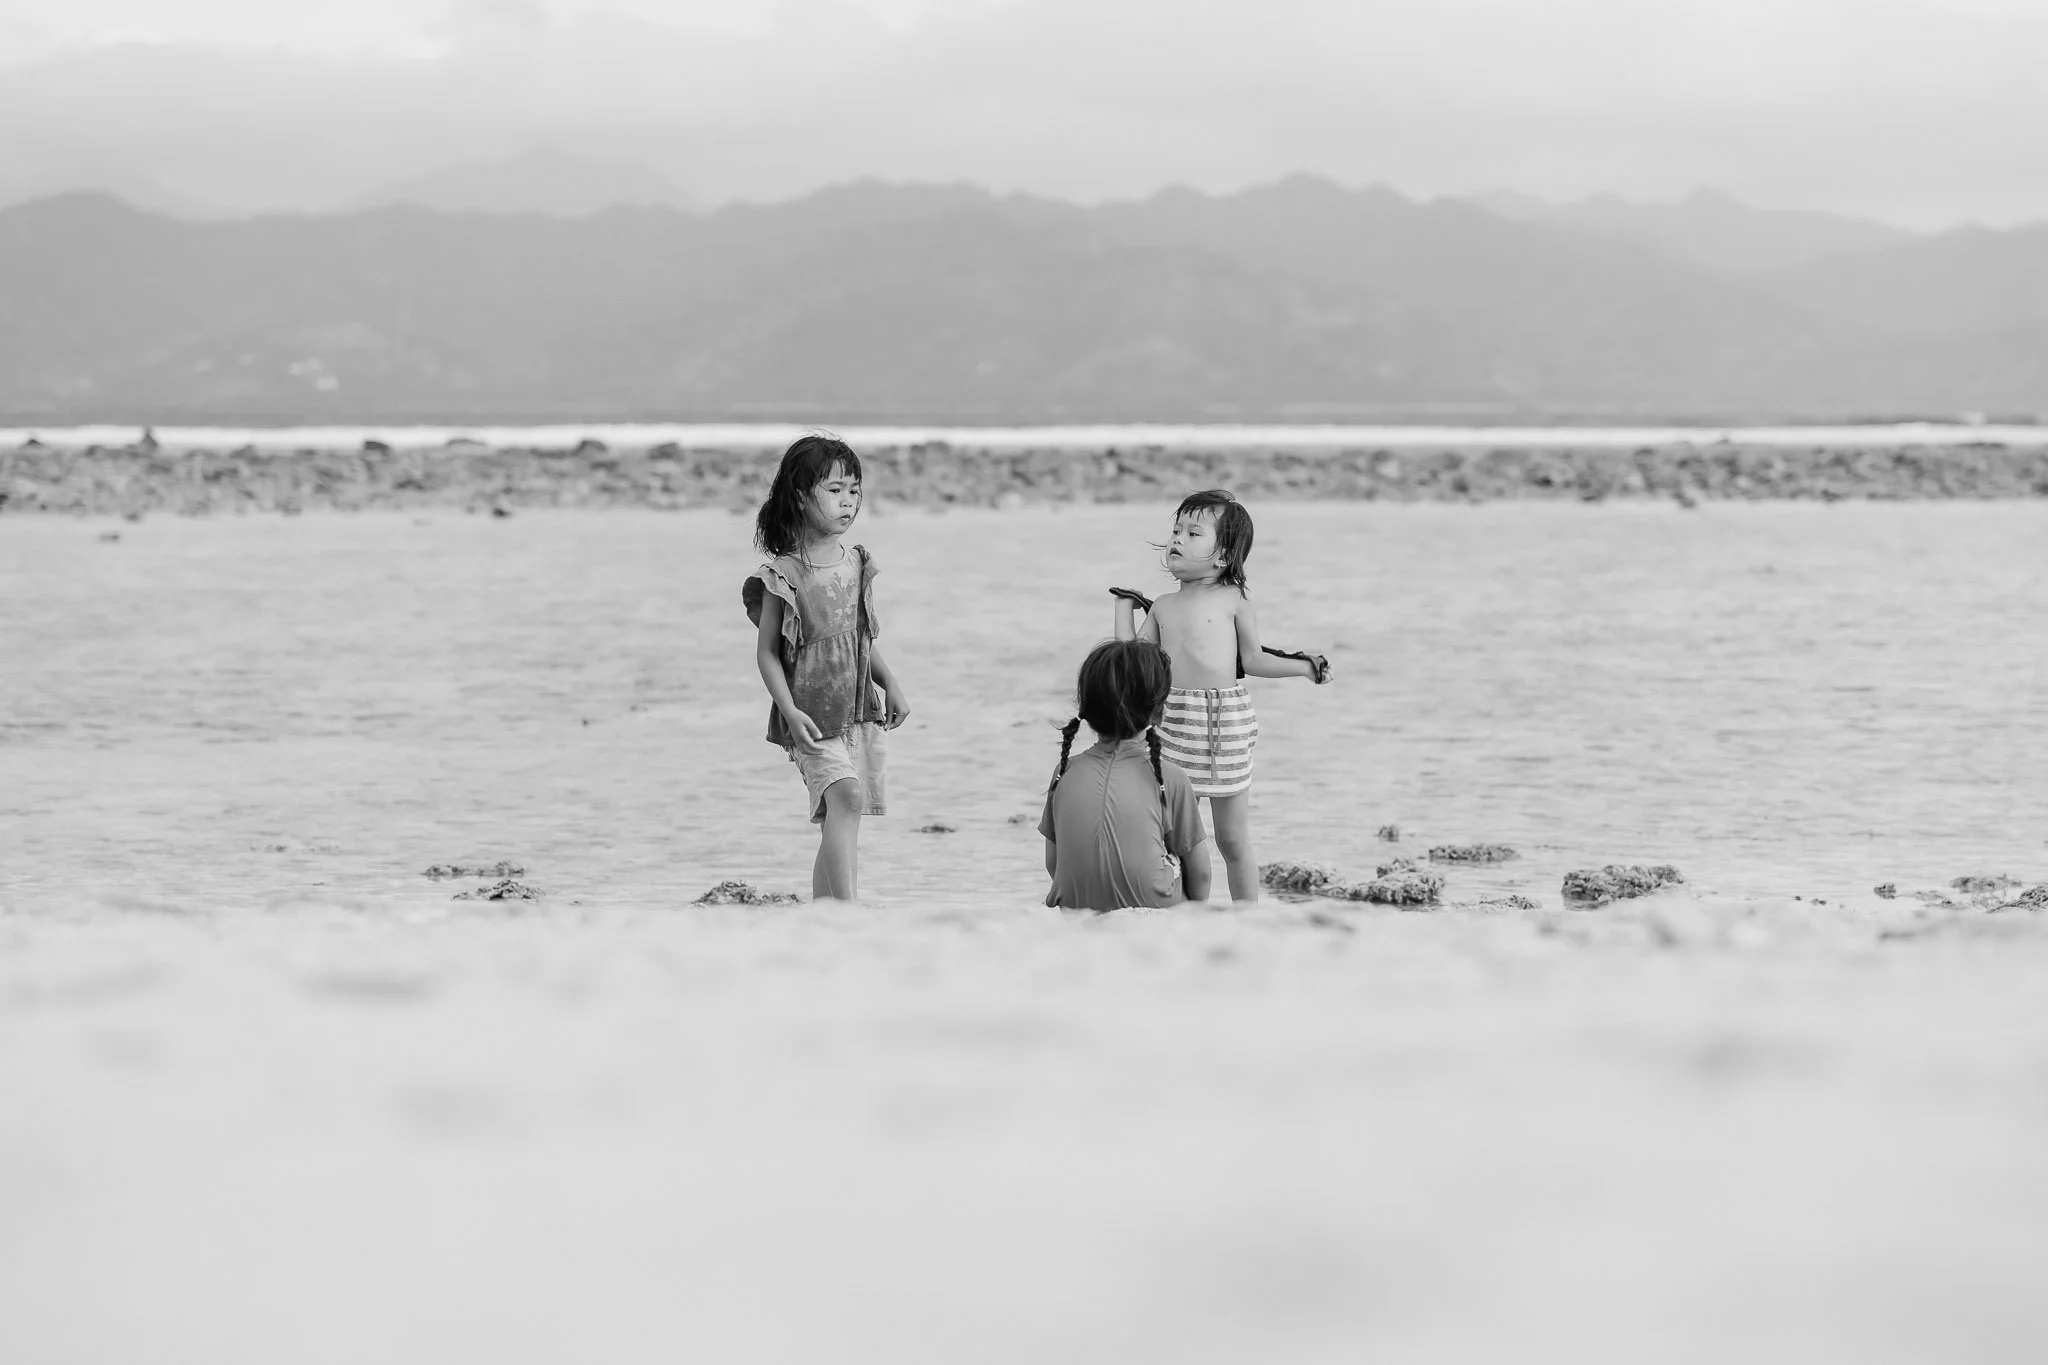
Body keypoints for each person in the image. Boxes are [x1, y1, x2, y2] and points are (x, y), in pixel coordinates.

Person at [1112, 489, 1330, 904]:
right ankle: (1192, 911)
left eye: (1193, 532)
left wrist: (1304, 667)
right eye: (1176, 529)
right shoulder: (1162, 606)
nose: (1177, 538)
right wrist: (1125, 606)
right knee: (1181, 837)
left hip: (1226, 721)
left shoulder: (1234, 600)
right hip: (1175, 721)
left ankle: (1247, 917)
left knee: (1232, 839)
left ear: (1223, 557)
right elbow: (1132, 661)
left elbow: (1254, 659)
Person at [743, 434, 910, 901]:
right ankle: (850, 911)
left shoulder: (856, 562)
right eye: (834, 490)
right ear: (800, 497)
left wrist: (890, 681)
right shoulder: (785, 573)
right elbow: (767, 653)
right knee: (845, 799)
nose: (847, 502)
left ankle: (824, 912)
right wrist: (789, 710)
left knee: (842, 811)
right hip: (810, 714)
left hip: (856, 707)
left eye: (854, 490)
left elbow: (860, 639)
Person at [1040, 639, 1212, 912]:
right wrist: (1194, 914)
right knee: (1177, 861)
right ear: (1160, 711)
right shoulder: (1168, 776)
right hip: (1151, 910)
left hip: (1077, 911)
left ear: (1086, 710)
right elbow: (1201, 874)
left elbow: (1054, 863)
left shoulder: (1064, 771)